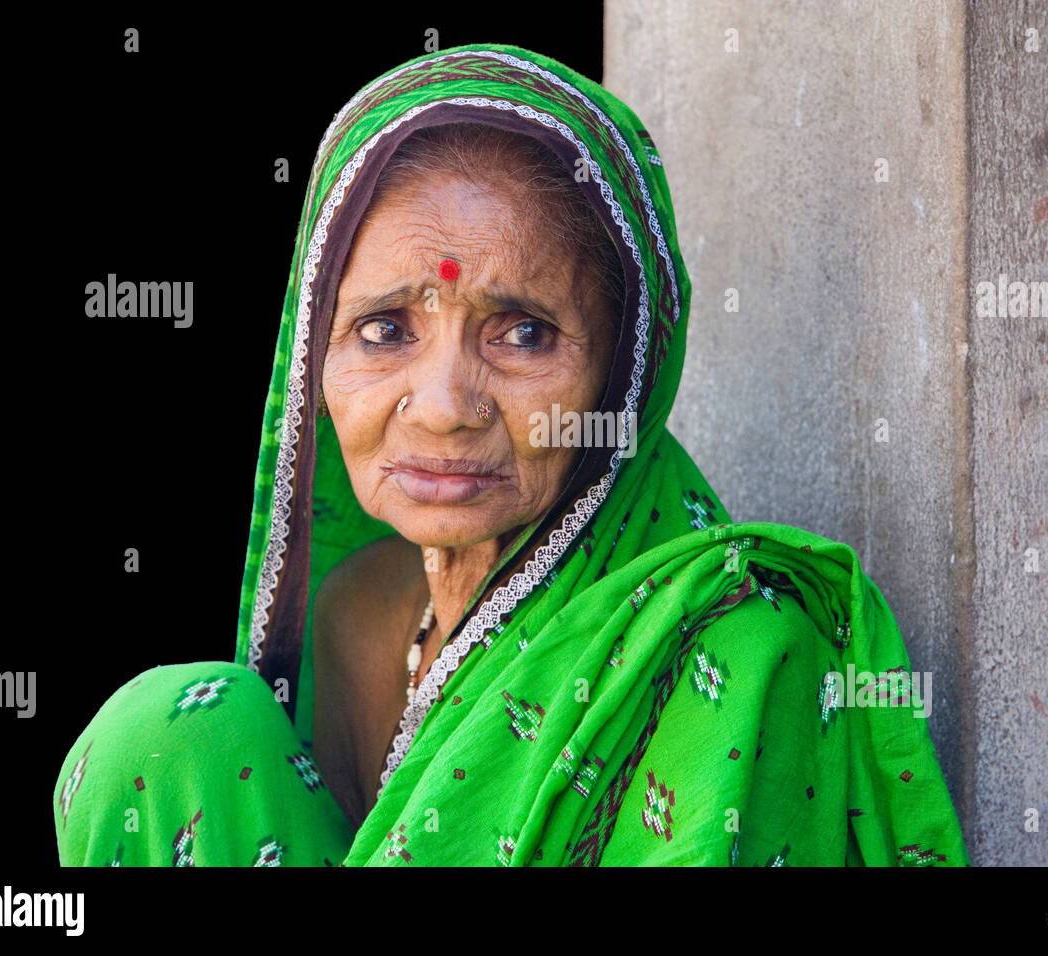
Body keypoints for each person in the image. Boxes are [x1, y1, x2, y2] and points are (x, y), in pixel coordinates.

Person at [53, 42, 969, 867]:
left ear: (625, 372)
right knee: (169, 734)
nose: (447, 409)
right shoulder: (362, 617)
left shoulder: (738, 649)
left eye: (524, 333)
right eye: (383, 328)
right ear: (312, 358)